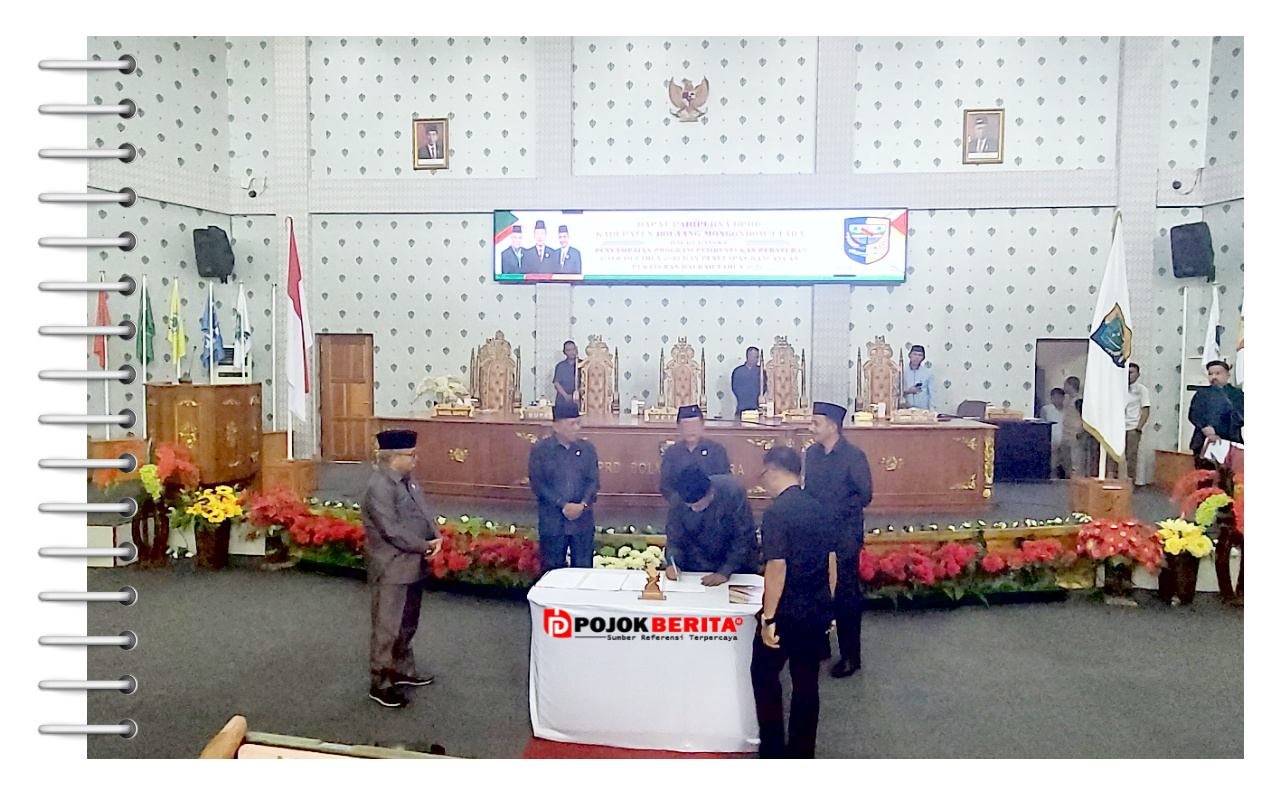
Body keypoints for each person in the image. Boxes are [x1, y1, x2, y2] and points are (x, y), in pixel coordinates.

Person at [752, 445, 838, 759]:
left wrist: (768, 618)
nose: (763, 481)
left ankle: (773, 748)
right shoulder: (820, 508)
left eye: (763, 474)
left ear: (774, 471)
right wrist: (828, 605)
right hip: (815, 608)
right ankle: (802, 753)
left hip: (787, 611)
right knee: (806, 683)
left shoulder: (776, 513)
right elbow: (831, 562)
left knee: (764, 675)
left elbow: (777, 567)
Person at [362, 429, 443, 708]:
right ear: (393, 457)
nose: (415, 459)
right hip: (392, 566)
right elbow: (391, 530)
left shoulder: (409, 482)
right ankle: (381, 681)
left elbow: (424, 513)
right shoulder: (379, 487)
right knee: (388, 626)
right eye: (411, 455)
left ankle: (403, 669)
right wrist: (424, 546)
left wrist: (436, 536)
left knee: (408, 622)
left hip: (413, 562)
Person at [803, 401, 872, 678]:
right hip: (817, 534)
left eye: (816, 423)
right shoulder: (812, 454)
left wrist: (833, 510)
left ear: (832, 427)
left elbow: (864, 495)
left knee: (845, 595)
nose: (811, 428)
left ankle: (850, 656)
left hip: (844, 536)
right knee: (817, 590)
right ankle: (821, 645)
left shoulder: (854, 456)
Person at [528, 403, 599, 571]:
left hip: (582, 523)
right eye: (572, 424)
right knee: (552, 571)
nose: (577, 428)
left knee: (583, 572)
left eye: (578, 423)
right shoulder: (541, 450)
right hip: (553, 522)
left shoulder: (587, 449)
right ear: (556, 426)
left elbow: (593, 482)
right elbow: (538, 485)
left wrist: (582, 505)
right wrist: (563, 505)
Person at [664, 467, 758, 587]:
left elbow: (743, 536)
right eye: (690, 506)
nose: (694, 509)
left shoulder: (733, 492)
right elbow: (674, 537)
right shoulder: (678, 499)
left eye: (698, 506)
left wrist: (725, 572)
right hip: (694, 569)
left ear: (710, 492)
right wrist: (673, 563)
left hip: (735, 567)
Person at [659, 404, 731, 504]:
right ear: (679, 427)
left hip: (711, 506)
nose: (690, 430)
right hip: (681, 506)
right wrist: (681, 503)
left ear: (702, 425)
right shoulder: (672, 452)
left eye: (694, 425)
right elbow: (665, 486)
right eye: (686, 425)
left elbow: (724, 482)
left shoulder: (717, 450)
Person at [1188, 360, 1244, 468]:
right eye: (1210, 374)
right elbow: (1194, 414)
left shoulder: (1237, 395)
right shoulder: (1201, 394)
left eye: (1218, 373)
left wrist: (1218, 431)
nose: (1214, 377)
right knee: (1204, 474)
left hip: (1230, 440)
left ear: (1227, 375)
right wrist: (1205, 428)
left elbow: (1241, 417)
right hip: (1203, 440)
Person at [1115, 363, 1151, 482]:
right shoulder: (1118, 388)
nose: (1128, 375)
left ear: (1138, 374)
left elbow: (1145, 409)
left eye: (1131, 373)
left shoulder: (1142, 390)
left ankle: (1130, 482)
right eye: (1127, 372)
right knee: (1114, 455)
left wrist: (1138, 428)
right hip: (1118, 427)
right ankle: (1114, 480)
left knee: (1131, 457)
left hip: (1132, 427)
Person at [731, 347, 767, 418]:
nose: (756, 360)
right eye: (754, 357)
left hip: (756, 408)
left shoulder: (761, 371)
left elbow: (764, 387)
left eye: (757, 357)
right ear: (748, 356)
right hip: (742, 407)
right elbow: (735, 388)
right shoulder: (738, 371)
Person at [1039, 388, 1068, 479]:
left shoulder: (1068, 410)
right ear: (1051, 398)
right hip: (1052, 438)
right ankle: (1052, 477)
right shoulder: (1046, 409)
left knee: (1066, 460)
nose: (1057, 400)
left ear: (1063, 398)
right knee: (1053, 460)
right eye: (1055, 397)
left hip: (1064, 438)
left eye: (1059, 397)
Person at [1061, 376, 1084, 477]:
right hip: (1066, 432)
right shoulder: (1067, 400)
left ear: (1071, 386)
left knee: (1076, 459)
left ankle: (1077, 478)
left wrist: (1082, 430)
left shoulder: (1078, 400)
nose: (1064, 387)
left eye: (1065, 385)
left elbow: (1084, 416)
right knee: (1066, 459)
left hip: (1075, 433)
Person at [902, 344, 935, 410]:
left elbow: (932, 393)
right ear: (910, 355)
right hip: (905, 408)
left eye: (920, 355)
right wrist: (907, 391)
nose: (917, 357)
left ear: (923, 358)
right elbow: (895, 391)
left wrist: (932, 410)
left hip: (923, 409)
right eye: (914, 354)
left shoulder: (928, 373)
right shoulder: (902, 372)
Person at [552, 340, 578, 410]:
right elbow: (556, 383)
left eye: (573, 349)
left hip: (578, 401)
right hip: (562, 401)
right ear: (564, 352)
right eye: (568, 350)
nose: (572, 352)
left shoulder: (583, 365)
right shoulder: (560, 366)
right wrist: (565, 395)